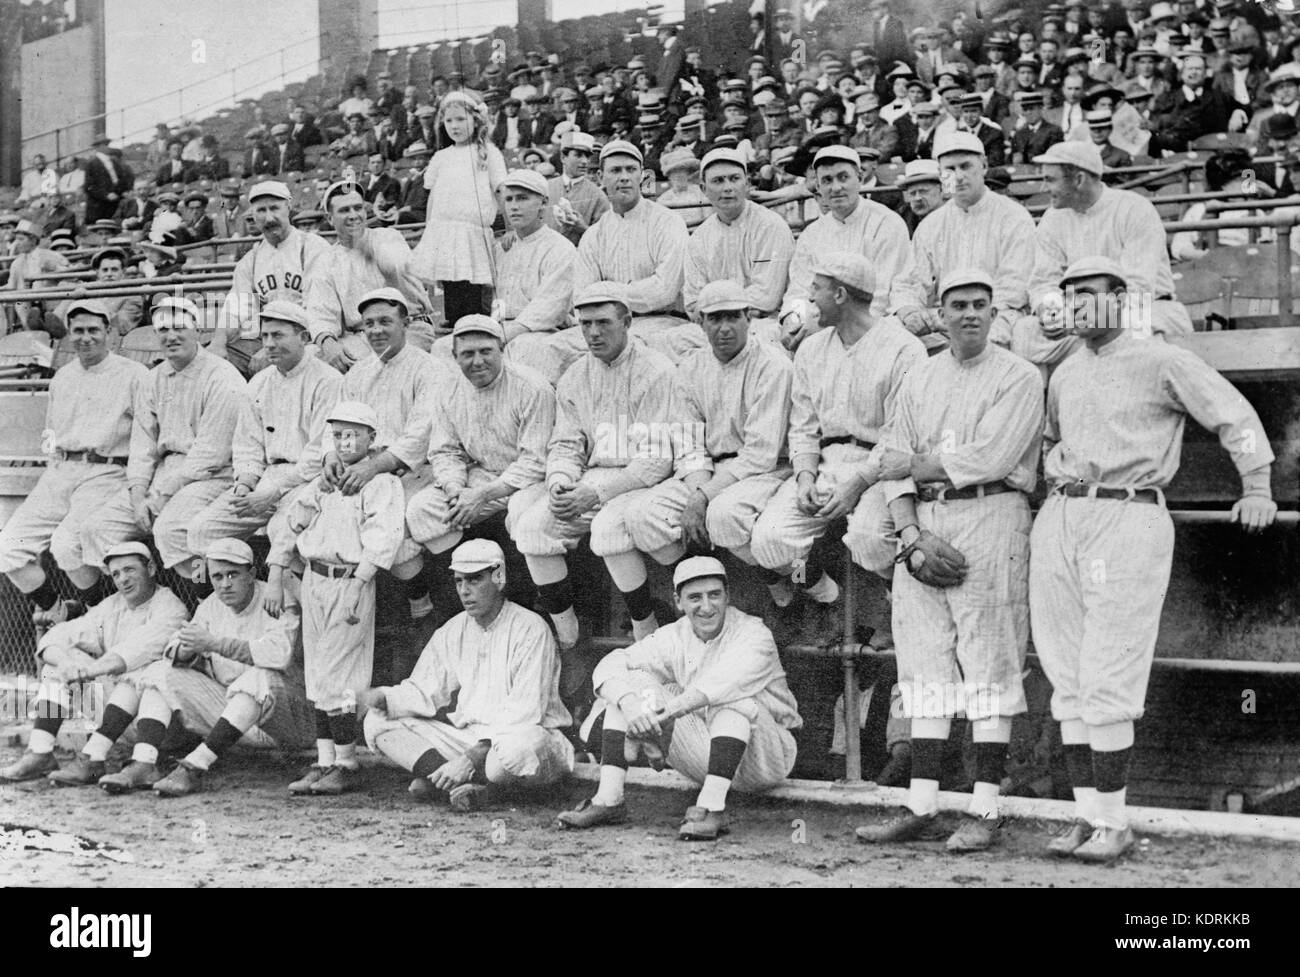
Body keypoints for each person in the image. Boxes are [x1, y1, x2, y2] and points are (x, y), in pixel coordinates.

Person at [1029, 256, 1276, 863]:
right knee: (1066, 671)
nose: (1079, 305)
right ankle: (1086, 817)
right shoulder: (1064, 370)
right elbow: (1053, 440)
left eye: (1091, 294)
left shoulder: (1159, 356)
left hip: (1129, 513)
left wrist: (1257, 487)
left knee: (1110, 665)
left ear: (1120, 299)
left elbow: (1234, 416)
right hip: (1063, 513)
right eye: (1071, 295)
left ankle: (1114, 823)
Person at [853, 269, 1043, 853]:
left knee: (989, 657)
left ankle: (985, 809)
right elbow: (890, 459)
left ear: (993, 312)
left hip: (993, 514)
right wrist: (909, 534)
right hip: (926, 520)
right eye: (957, 305)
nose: (969, 315)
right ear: (940, 312)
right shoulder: (919, 375)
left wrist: (913, 463)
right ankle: (922, 806)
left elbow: (990, 457)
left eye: (980, 305)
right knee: (925, 663)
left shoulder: (1020, 375)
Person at [510, 282, 678, 709]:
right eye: (585, 324)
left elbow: (655, 461)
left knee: (608, 528)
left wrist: (594, 491)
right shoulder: (574, 375)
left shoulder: (656, 370)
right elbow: (565, 444)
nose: (593, 333)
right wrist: (561, 483)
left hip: (640, 482)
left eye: (603, 322)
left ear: (628, 321)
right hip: (588, 480)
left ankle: (647, 630)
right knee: (532, 526)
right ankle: (570, 639)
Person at [555, 556, 802, 840]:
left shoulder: (754, 633)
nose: (706, 607)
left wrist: (666, 716)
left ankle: (712, 809)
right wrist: (632, 706)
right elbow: (613, 663)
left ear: (728, 596)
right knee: (629, 685)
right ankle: (608, 801)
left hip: (767, 757)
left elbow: (722, 685)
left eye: (714, 595)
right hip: (713, 758)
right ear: (678, 601)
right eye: (695, 597)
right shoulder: (674, 634)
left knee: (733, 702)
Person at [753, 252, 926, 606]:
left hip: (882, 468)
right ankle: (819, 593)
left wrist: (858, 482)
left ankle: (893, 601)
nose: (809, 298)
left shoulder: (905, 349)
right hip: (827, 464)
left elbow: (900, 438)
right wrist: (803, 476)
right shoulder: (811, 348)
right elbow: (802, 427)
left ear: (841, 295)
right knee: (770, 540)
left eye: (816, 289)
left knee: (870, 539)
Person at [361, 538, 573, 810]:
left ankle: (476, 787)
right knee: (377, 721)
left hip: (526, 739)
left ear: (499, 577)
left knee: (513, 752)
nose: (464, 591)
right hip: (469, 740)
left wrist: (470, 759)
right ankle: (453, 782)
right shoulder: (454, 629)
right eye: (459, 581)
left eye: (474, 580)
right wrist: (385, 698)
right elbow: (424, 689)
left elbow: (525, 712)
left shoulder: (531, 628)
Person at [624, 280, 794, 604]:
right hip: (707, 470)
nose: (725, 328)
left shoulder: (774, 366)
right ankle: (694, 583)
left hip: (762, 470)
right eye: (715, 319)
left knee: (722, 515)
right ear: (701, 322)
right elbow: (689, 443)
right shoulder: (691, 367)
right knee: (641, 516)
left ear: (749, 318)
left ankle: (782, 590)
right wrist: (698, 492)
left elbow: (760, 453)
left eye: (733, 317)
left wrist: (702, 498)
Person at [270, 401, 406, 796]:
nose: (346, 442)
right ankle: (324, 760)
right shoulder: (326, 480)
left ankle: (347, 762)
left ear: (371, 439)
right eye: (339, 435)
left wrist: (358, 584)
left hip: (350, 580)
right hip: (315, 577)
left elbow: (384, 539)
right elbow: (292, 520)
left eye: (354, 434)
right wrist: (277, 572)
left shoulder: (382, 482)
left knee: (342, 675)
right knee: (318, 674)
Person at [0, 301, 149, 619]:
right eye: (78, 330)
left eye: (94, 329)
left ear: (109, 332)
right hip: (60, 470)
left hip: (106, 470)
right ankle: (61, 614)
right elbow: (49, 432)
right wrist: (50, 461)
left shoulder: (134, 374)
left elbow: (146, 436)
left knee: (67, 545)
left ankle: (98, 615)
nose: (86, 337)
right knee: (8, 548)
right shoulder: (63, 377)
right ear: (69, 333)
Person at [0, 542, 189, 783]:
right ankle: (40, 752)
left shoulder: (170, 607)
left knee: (143, 673)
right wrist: (67, 664)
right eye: (117, 574)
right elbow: (54, 638)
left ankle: (103, 756)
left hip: (162, 726)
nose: (123, 579)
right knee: (54, 666)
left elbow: (129, 654)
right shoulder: (113, 605)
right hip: (116, 717)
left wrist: (85, 671)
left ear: (150, 568)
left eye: (130, 570)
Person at [90, 296, 247, 582]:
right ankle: (142, 605)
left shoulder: (223, 377)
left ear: (198, 331)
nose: (171, 336)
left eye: (179, 327)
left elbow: (211, 454)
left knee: (171, 528)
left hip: (214, 476)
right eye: (163, 329)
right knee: (98, 528)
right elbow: (142, 447)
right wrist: (139, 495)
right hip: (163, 475)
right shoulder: (152, 378)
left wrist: (159, 497)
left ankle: (203, 605)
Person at [1011, 141, 1193, 370]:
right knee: (1025, 332)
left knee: (1127, 332)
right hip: (1076, 318)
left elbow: (1137, 288)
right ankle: (1054, 403)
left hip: (1145, 310)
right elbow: (1043, 282)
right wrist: (1053, 311)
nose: (1043, 188)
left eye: (1050, 180)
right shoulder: (1052, 218)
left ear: (1078, 179)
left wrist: (1084, 316)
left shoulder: (1134, 209)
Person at [186, 301, 343, 558]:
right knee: (202, 530)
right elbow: (247, 445)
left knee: (281, 531)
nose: (268, 343)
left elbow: (319, 452)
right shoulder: (258, 383)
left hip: (308, 481)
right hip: (265, 479)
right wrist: (244, 485)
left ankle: (286, 594)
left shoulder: (328, 381)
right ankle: (239, 592)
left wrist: (274, 490)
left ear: (304, 338)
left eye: (278, 335)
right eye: (265, 335)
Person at [405, 314, 553, 564]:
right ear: (455, 357)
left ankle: (526, 594)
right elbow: (445, 452)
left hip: (528, 480)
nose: (478, 361)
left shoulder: (531, 387)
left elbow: (535, 461)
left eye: (486, 351)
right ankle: (466, 581)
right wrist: (455, 489)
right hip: (481, 476)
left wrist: (482, 496)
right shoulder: (448, 390)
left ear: (502, 349)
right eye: (467, 354)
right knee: (422, 509)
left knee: (521, 512)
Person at [899, 131, 1036, 350]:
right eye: (950, 170)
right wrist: (910, 311)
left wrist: (965, 315)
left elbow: (1014, 287)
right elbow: (911, 280)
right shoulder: (931, 225)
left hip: (997, 314)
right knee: (892, 337)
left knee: (986, 344)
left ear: (984, 165)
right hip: (944, 318)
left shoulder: (1014, 216)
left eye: (965, 166)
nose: (959, 176)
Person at [572, 140, 705, 363]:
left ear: (642, 176)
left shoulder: (667, 222)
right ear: (599, 178)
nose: (624, 177)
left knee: (634, 350)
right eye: (615, 170)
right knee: (553, 349)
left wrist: (607, 291)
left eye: (631, 170)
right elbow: (582, 295)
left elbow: (664, 290)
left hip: (663, 321)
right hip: (605, 326)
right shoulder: (594, 235)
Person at [778, 146, 922, 351]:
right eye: (827, 180)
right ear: (818, 186)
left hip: (875, 323)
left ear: (860, 178)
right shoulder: (812, 234)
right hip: (824, 324)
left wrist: (840, 330)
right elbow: (799, 290)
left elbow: (881, 296)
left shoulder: (886, 222)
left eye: (843, 177)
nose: (836, 187)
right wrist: (793, 318)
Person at [306, 181, 438, 371]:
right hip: (361, 336)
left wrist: (368, 249)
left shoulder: (388, 237)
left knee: (375, 367)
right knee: (315, 363)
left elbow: (398, 268)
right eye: (344, 210)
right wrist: (328, 343)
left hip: (408, 327)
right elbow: (321, 312)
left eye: (358, 208)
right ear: (330, 218)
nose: (353, 215)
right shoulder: (326, 260)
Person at [411, 92, 507, 327]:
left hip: (472, 231)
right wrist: (430, 231)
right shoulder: (441, 157)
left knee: (472, 284)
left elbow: (501, 190)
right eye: (449, 121)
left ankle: (474, 324)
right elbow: (433, 197)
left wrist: (509, 228)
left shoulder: (488, 153)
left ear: (476, 121)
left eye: (461, 120)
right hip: (444, 230)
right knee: (451, 281)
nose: (455, 126)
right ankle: (454, 322)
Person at [217, 180, 332, 376]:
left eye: (275, 208)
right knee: (216, 361)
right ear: (252, 215)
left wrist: (273, 347)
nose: (269, 218)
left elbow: (319, 311)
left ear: (288, 207)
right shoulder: (250, 260)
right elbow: (235, 310)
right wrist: (218, 343)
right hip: (265, 341)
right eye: (261, 210)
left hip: (308, 338)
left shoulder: (313, 247)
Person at [683, 148, 794, 346]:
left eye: (734, 179)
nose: (728, 187)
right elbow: (692, 301)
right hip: (712, 326)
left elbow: (766, 296)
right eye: (718, 181)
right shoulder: (699, 238)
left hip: (761, 323)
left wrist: (713, 305)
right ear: (703, 188)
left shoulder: (770, 225)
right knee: (674, 342)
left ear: (747, 183)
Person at [479, 168, 578, 384]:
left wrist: (504, 334)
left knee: (521, 349)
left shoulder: (560, 248)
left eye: (523, 198)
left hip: (543, 331)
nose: (514, 206)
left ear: (543, 202)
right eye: (509, 199)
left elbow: (550, 308)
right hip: (504, 328)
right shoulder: (502, 248)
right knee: (447, 347)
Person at [545, 129, 610, 246]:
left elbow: (606, 239)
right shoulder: (546, 188)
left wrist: (582, 228)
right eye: (578, 155)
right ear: (563, 157)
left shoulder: (597, 195)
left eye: (587, 156)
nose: (585, 161)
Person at [84, 136, 132, 224]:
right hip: (98, 206)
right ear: (98, 147)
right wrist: (106, 195)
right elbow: (89, 187)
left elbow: (121, 180)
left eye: (107, 144)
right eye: (104, 144)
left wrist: (123, 191)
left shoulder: (114, 162)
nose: (108, 146)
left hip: (114, 203)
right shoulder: (91, 164)